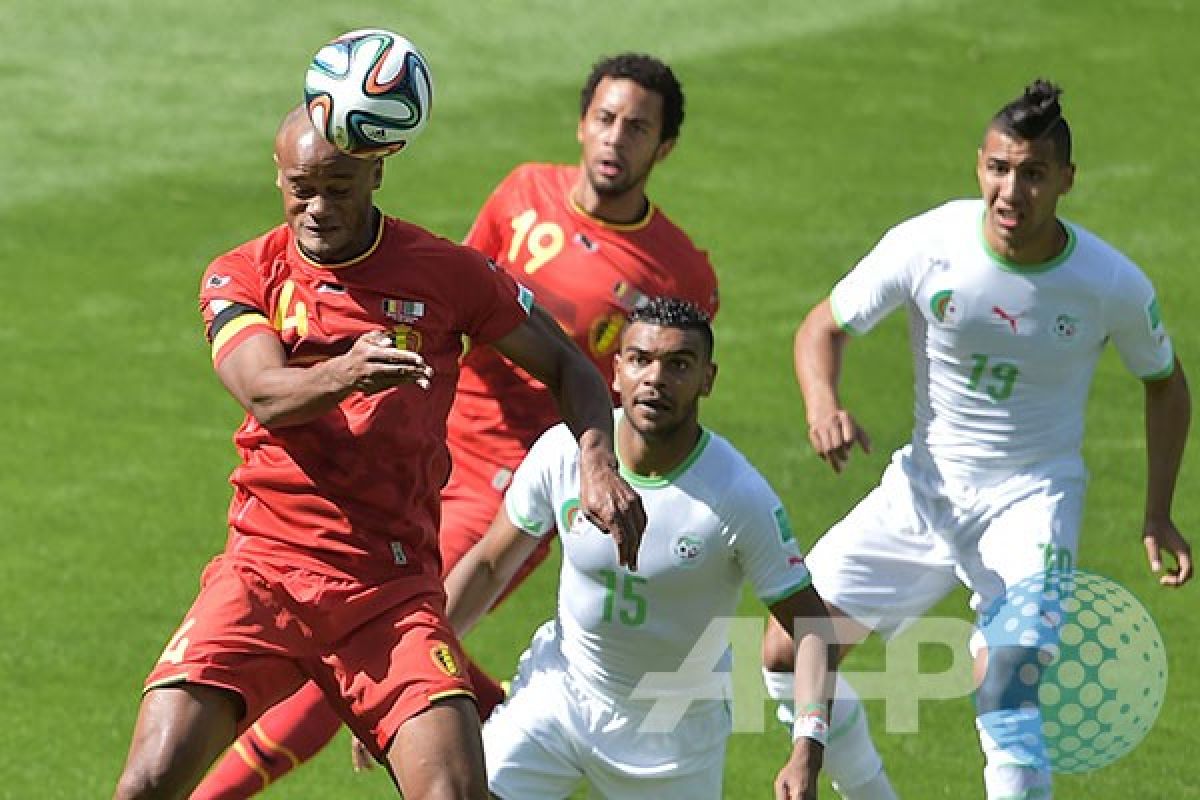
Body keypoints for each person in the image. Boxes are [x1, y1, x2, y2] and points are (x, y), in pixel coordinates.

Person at [191, 52, 718, 799]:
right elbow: (442, 299)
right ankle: (495, 718)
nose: (615, 138)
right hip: (433, 444)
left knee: (363, 650)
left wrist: (601, 466)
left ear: (664, 148)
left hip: (513, 480)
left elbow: (648, 386)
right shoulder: (523, 192)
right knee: (413, 648)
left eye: (637, 127)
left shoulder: (681, 271)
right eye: (605, 118)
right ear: (580, 122)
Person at [760, 78, 1192, 800]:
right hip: (923, 491)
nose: (1011, 190)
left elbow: (1166, 382)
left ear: (1066, 181)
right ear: (979, 167)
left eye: (1032, 173)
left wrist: (1158, 511)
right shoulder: (930, 243)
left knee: (1007, 691)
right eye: (998, 168)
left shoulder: (1107, 282)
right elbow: (822, 327)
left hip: (1032, 501)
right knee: (786, 652)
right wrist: (822, 404)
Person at [443, 298, 834, 799]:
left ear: (707, 380)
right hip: (561, 694)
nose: (656, 378)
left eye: (679, 365)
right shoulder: (566, 453)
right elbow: (490, 565)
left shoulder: (737, 496)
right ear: (617, 369)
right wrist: (414, 685)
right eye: (641, 359)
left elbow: (810, 626)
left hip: (671, 735)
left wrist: (807, 751)